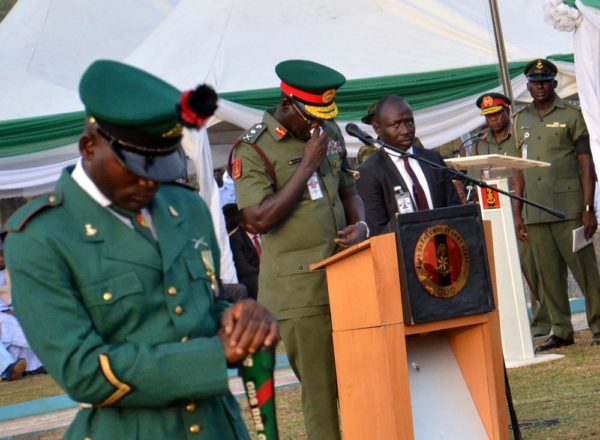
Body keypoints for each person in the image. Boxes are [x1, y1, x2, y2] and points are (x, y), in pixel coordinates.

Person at [4, 60, 278, 439]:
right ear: (88, 147)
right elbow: (83, 371)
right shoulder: (41, 239)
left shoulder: (186, 208)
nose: (151, 183)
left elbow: (200, 307)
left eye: (162, 166)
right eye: (138, 167)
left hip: (218, 427)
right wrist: (213, 355)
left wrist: (239, 319)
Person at [229, 59, 368, 440]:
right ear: (287, 103)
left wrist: (362, 225)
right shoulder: (253, 149)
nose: (316, 125)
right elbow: (256, 220)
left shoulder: (329, 130)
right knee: (322, 393)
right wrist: (306, 166)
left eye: (323, 116)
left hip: (348, 275)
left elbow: (349, 189)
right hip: (300, 290)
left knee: (364, 382)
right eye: (310, 116)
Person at [511, 58, 600, 351]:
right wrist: (517, 213)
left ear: (554, 83)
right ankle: (561, 330)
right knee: (548, 275)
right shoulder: (520, 119)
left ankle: (598, 325)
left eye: (545, 81)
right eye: (535, 83)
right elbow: (519, 168)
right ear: (528, 86)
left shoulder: (572, 115)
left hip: (569, 209)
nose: (539, 87)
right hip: (534, 209)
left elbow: (586, 164)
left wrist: (589, 208)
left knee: (585, 272)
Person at [474, 92, 551, 337]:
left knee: (533, 269)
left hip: (523, 211)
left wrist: (519, 215)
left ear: (508, 111)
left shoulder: (519, 137)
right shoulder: (479, 144)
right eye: (488, 116)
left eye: (497, 114)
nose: (493, 120)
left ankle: (544, 321)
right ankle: (515, 324)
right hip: (494, 211)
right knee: (505, 271)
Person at [356, 95, 462, 236]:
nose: (406, 130)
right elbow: (379, 230)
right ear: (377, 129)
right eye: (396, 125)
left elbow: (455, 209)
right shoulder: (369, 172)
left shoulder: (432, 158)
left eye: (410, 122)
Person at [227, 205, 261, 300]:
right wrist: (263, 272)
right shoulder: (235, 239)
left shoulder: (264, 230)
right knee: (257, 281)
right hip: (251, 275)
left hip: (268, 269)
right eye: (250, 224)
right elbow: (243, 268)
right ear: (242, 224)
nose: (255, 226)